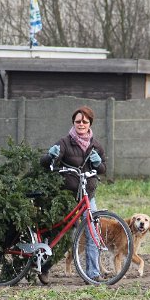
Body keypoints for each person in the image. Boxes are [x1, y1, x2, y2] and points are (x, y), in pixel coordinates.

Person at [39, 105, 106, 284]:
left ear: (90, 123)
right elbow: (45, 163)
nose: (81, 124)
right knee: (61, 234)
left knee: (92, 233)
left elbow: (103, 169)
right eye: (78, 121)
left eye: (85, 121)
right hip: (67, 195)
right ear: (73, 123)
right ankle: (44, 268)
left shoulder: (96, 145)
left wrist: (98, 164)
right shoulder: (64, 142)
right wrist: (50, 156)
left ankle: (92, 273)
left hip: (87, 195)